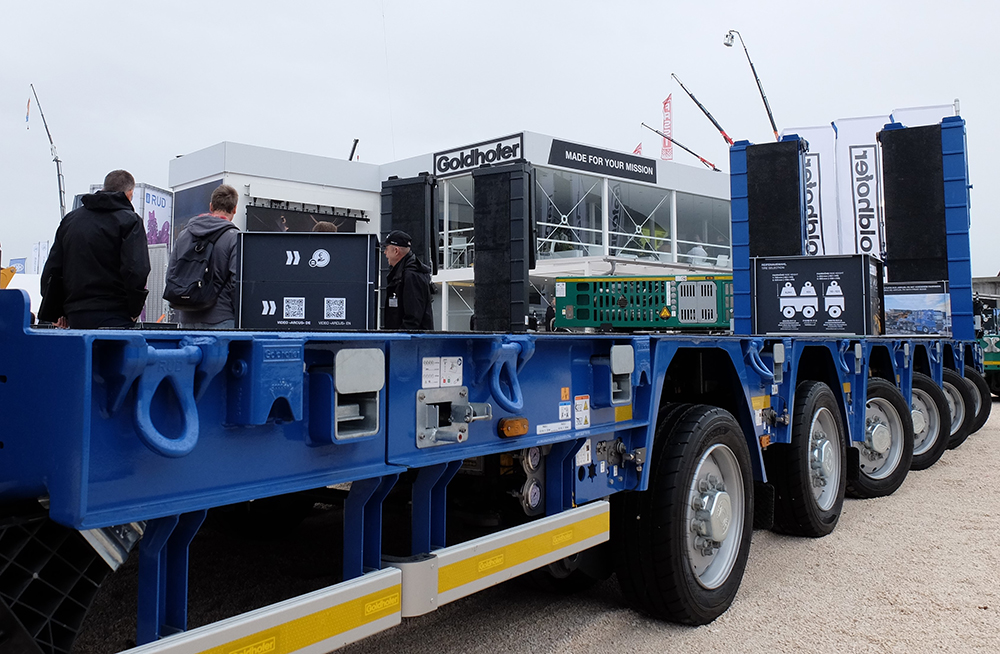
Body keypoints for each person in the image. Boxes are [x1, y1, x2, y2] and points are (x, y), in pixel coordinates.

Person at [39, 169, 150, 329]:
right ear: (129, 193)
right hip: (115, 314)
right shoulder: (129, 221)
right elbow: (136, 270)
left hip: (76, 314)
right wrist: (134, 308)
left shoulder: (71, 220)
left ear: (104, 188)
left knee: (82, 354)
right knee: (113, 354)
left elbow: (53, 269)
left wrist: (57, 312)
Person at [168, 185, 241, 329]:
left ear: (211, 206)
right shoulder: (234, 238)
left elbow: (171, 274)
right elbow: (236, 283)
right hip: (221, 319)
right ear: (234, 209)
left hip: (187, 319)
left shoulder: (185, 235)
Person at [383, 230, 433, 330]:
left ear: (396, 251)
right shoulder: (403, 274)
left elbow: (413, 318)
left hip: (409, 342)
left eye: (386, 249)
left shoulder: (411, 276)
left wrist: (398, 340)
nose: (385, 253)